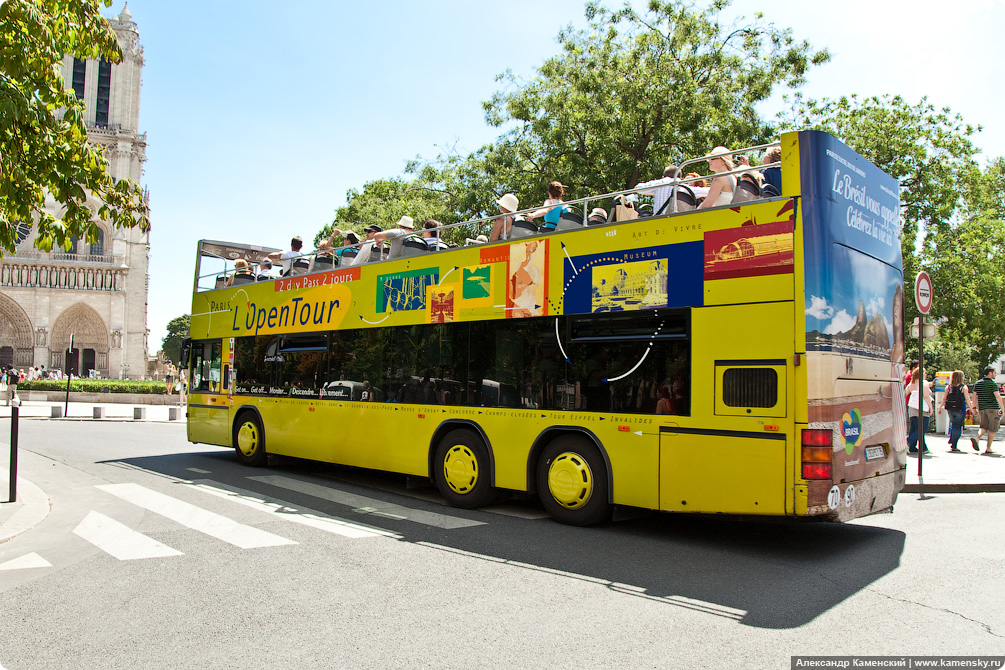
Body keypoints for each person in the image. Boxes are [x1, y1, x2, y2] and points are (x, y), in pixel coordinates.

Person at [938, 370, 975, 452]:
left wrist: (940, 407)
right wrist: (972, 409)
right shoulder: (963, 387)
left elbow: (944, 398)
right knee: (958, 426)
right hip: (960, 409)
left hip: (950, 408)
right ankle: (954, 444)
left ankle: (952, 439)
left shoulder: (949, 387)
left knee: (953, 424)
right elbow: (967, 399)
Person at [970, 367, 1004, 454]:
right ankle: (988, 448)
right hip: (993, 408)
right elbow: (997, 396)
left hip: (982, 408)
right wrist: (1002, 408)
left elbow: (974, 396)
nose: (995, 374)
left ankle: (977, 438)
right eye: (994, 372)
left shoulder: (978, 383)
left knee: (983, 426)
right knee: (993, 428)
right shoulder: (992, 384)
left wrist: (974, 407)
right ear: (990, 373)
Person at [905, 367, 934, 454]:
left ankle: (915, 447)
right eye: (925, 374)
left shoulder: (911, 384)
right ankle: (907, 441)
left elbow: (904, 393)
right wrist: (931, 407)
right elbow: (926, 396)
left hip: (912, 409)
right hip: (922, 409)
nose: (926, 375)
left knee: (914, 428)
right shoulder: (923, 383)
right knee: (922, 429)